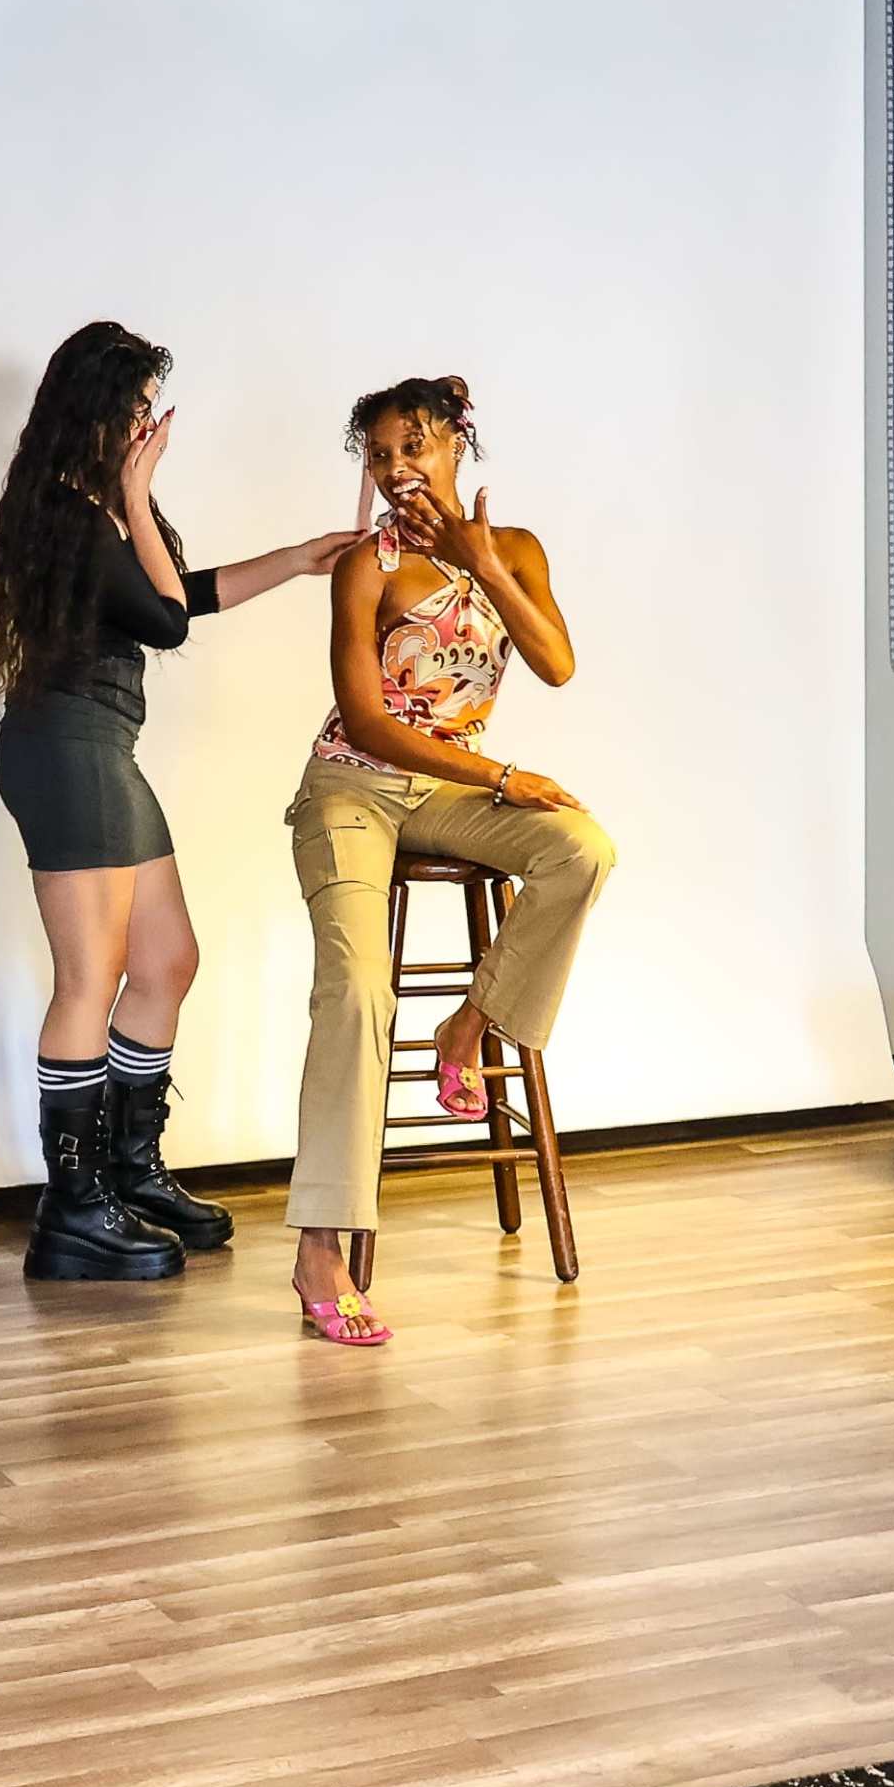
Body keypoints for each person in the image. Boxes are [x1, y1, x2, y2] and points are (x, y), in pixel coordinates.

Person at [0, 321, 353, 1282]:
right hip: (66, 753)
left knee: (167, 960)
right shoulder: (75, 512)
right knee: (90, 976)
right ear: (95, 412)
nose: (149, 425)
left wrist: (302, 555)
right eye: (138, 408)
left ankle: (130, 1173)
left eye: (152, 408)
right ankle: (73, 1213)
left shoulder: (92, 517)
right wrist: (140, 498)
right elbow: (165, 618)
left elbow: (170, 593)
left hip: (100, 751)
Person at [283, 375, 613, 1345]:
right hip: (352, 786)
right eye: (379, 455)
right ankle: (319, 1248)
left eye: (412, 448)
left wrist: (479, 561)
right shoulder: (364, 566)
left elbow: (555, 664)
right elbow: (370, 726)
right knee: (356, 990)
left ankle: (472, 1024)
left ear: (457, 446)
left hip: (457, 791)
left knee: (582, 850)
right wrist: (503, 777)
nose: (395, 470)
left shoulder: (513, 550)